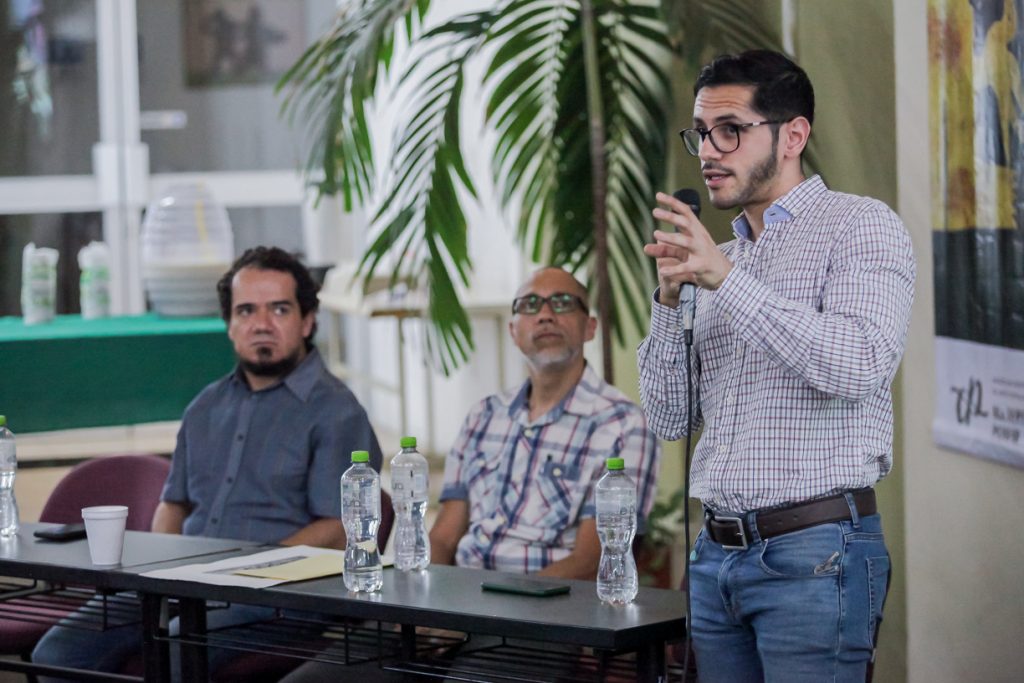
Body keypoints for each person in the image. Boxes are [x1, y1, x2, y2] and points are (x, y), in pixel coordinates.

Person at [637, 49, 916, 683]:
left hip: (815, 553)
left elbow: (859, 363)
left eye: (730, 130)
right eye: (701, 132)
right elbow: (671, 418)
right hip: (715, 557)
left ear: (793, 136)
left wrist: (725, 282)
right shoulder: (722, 258)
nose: (709, 151)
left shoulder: (860, 227)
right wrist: (669, 301)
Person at [281, 266, 661, 682]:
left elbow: (590, 562)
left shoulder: (622, 425)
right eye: (530, 305)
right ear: (514, 331)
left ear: (589, 327)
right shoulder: (484, 415)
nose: (545, 314)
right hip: (459, 602)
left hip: (547, 618)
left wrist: (478, 612)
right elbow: (444, 536)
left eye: (562, 303)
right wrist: (426, 607)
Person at [33, 246, 384, 681]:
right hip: (184, 581)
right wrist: (157, 574)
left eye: (279, 309)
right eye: (246, 311)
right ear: (230, 324)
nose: (261, 324)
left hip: (282, 594)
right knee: (57, 651)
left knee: (176, 651)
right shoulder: (205, 406)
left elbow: (338, 529)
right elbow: (173, 506)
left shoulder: (336, 412)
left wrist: (251, 571)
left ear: (308, 321)